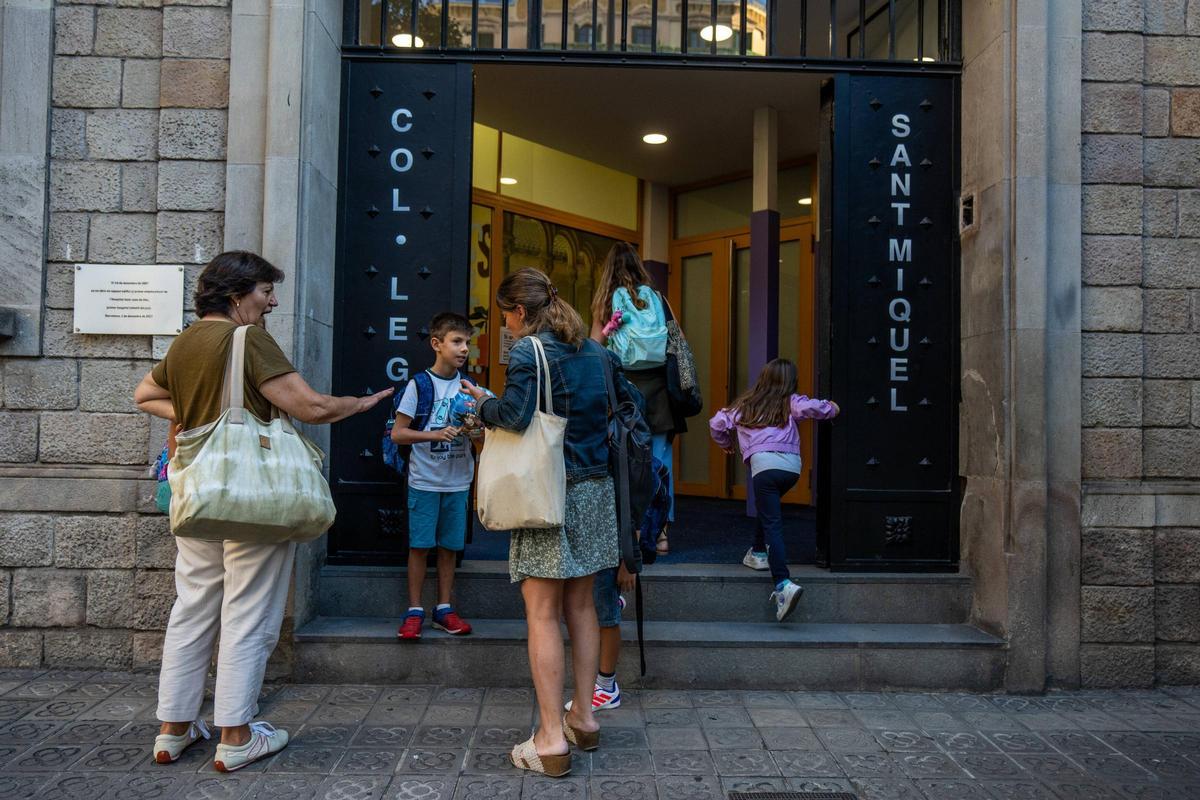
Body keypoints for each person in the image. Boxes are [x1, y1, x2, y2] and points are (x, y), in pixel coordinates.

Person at [133, 251, 392, 772]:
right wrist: (360, 405)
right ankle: (236, 732)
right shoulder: (247, 339)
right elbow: (311, 407)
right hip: (251, 495)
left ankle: (173, 729)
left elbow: (145, 394)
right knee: (249, 611)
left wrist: (198, 415)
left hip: (199, 491)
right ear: (237, 296)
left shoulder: (184, 341)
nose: (272, 302)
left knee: (193, 606)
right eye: (265, 292)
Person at [461, 267, 642, 778]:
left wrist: (482, 404)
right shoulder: (598, 352)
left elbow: (515, 416)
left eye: (506, 318)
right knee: (582, 605)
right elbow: (630, 407)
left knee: (541, 612)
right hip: (595, 489)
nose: (507, 328)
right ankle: (584, 716)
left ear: (519, 312)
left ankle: (550, 739)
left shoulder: (528, 351)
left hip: (546, 491)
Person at [708, 358, 839, 622]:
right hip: (791, 469)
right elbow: (815, 408)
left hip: (764, 468)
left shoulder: (746, 405)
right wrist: (833, 407)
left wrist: (726, 445)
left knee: (773, 523)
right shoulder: (791, 402)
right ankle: (757, 552)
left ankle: (782, 584)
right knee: (768, 510)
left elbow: (716, 423)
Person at [390, 312, 478, 641]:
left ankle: (444, 608)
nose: (464, 348)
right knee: (420, 546)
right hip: (424, 480)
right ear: (437, 344)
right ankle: (415, 610)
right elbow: (398, 434)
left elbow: (482, 437)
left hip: (458, 481)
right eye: (457, 341)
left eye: (467, 342)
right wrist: (435, 435)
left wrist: (476, 429)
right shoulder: (419, 385)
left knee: (449, 548)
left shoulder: (470, 388)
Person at [590, 242, 675, 555]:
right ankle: (661, 533)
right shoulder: (657, 300)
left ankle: (629, 531)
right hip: (660, 391)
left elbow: (595, 345)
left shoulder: (607, 302)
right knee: (661, 461)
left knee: (624, 460)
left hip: (623, 389)